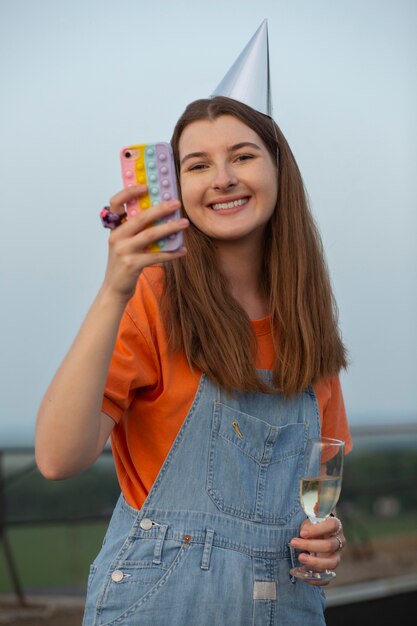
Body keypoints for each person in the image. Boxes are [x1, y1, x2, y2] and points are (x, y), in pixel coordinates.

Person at [35, 94, 352, 625]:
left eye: (243, 156)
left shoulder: (306, 318)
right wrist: (115, 289)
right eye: (198, 165)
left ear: (280, 170)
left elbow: (320, 485)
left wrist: (326, 540)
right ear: (178, 187)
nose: (222, 178)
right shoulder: (153, 295)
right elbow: (56, 458)